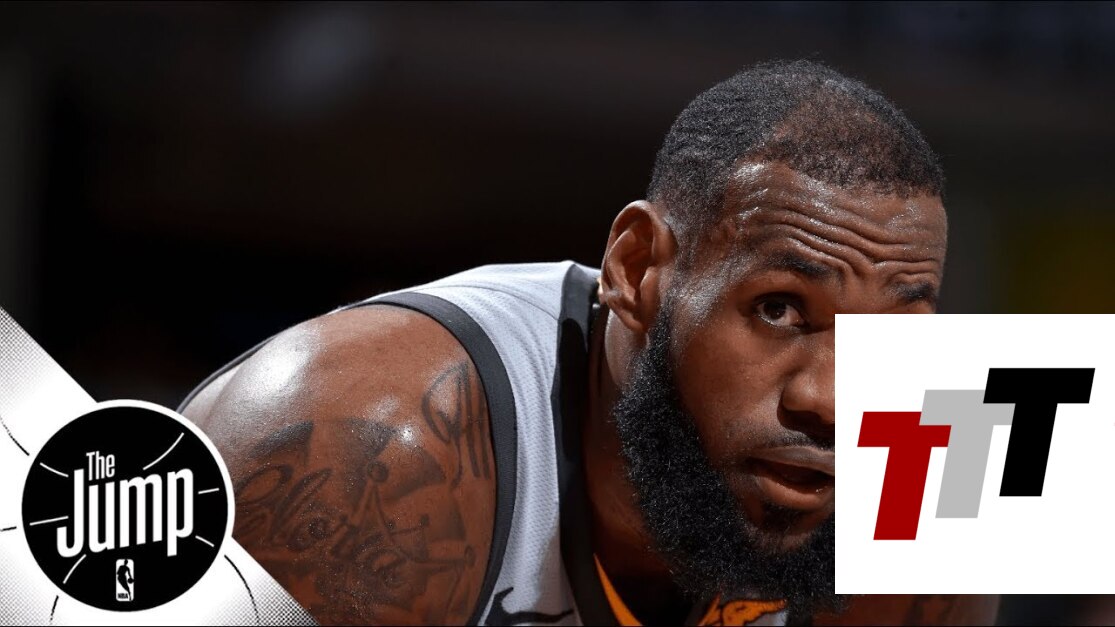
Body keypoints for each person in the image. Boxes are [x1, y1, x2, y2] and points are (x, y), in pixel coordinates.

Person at [180, 60, 999, 625]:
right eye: (779, 309)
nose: (829, 400)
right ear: (637, 270)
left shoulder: (938, 475)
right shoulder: (359, 451)